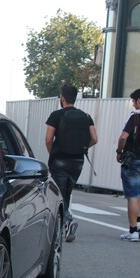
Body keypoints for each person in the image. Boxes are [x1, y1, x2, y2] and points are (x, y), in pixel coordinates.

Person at [45, 84, 98, 242]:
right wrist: (81, 148)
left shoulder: (56, 115)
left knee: (59, 194)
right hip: (78, 160)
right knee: (67, 192)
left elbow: (48, 139)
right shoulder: (86, 116)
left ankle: (67, 220)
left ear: (62, 97)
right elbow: (95, 139)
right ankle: (64, 224)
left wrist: (52, 152)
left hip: (59, 159)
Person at [116, 88, 140, 242]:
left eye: (134, 101)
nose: (133, 105)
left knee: (132, 195)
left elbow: (123, 137)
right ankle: (139, 223)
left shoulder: (135, 118)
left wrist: (119, 150)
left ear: (139, 101)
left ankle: (133, 230)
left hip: (133, 160)